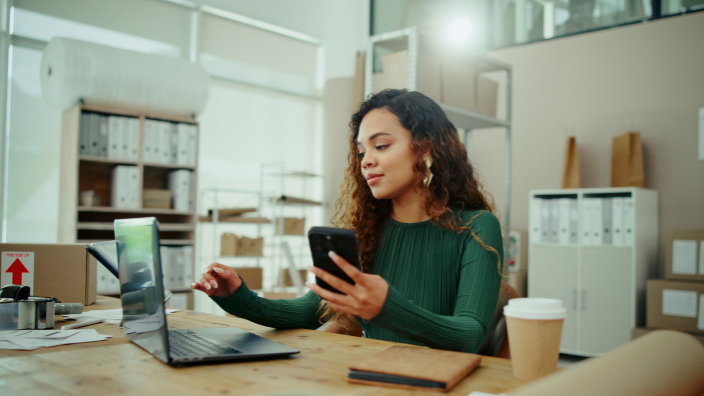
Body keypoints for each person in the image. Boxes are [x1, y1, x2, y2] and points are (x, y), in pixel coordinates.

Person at [192, 89, 504, 353]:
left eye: (381, 146)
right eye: (361, 150)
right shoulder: (366, 231)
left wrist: (387, 307)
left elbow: (469, 335)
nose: (367, 160)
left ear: (425, 148)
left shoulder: (476, 226)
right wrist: (237, 297)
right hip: (373, 380)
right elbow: (309, 311)